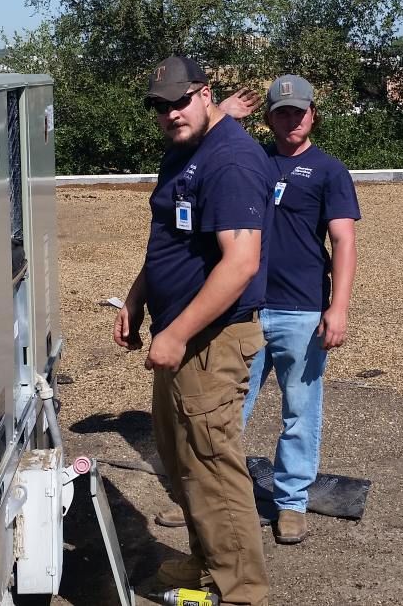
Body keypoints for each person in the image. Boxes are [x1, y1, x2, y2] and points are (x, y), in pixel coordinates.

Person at [115, 55, 274, 606]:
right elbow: (172, 241)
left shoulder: (229, 161)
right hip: (180, 337)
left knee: (212, 465)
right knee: (183, 458)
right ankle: (209, 564)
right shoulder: (188, 149)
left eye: (180, 100)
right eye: (160, 105)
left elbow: (241, 263)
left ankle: (241, 592)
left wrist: (178, 333)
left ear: (205, 94)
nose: (170, 113)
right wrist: (138, 297)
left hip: (210, 341)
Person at [215, 74, 360, 545]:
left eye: (299, 111)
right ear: (268, 119)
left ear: (313, 114)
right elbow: (198, 146)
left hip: (303, 311)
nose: (291, 119)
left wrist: (337, 307)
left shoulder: (329, 171)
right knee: (229, 408)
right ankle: (215, 500)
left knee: (300, 412)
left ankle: (292, 503)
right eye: (281, 112)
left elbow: (343, 240)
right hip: (248, 308)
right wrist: (221, 112)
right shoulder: (252, 162)